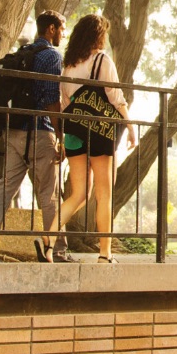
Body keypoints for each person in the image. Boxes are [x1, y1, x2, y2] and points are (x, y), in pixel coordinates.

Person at [0, 11, 66, 263]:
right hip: (40, 131)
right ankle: (57, 251)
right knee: (49, 194)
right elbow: (51, 99)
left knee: (3, 190)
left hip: (14, 132)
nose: (63, 34)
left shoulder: (21, 56)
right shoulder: (52, 56)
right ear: (51, 29)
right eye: (61, 29)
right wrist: (61, 134)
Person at [55, 14, 135, 263]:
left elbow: (65, 103)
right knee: (104, 194)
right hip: (100, 133)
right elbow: (115, 96)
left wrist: (63, 137)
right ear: (99, 36)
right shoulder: (102, 61)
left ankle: (47, 238)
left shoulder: (68, 65)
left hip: (74, 132)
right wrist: (130, 126)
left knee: (77, 195)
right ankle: (105, 253)